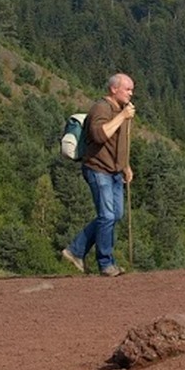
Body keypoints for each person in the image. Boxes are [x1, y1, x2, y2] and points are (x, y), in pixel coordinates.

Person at [61, 73, 135, 277]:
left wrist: (126, 165)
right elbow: (99, 135)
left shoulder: (122, 110)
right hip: (98, 168)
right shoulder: (101, 108)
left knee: (115, 215)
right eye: (127, 89)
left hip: (115, 170)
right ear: (114, 89)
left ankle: (76, 250)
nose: (131, 93)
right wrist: (122, 117)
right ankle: (106, 263)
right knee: (107, 215)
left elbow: (121, 143)